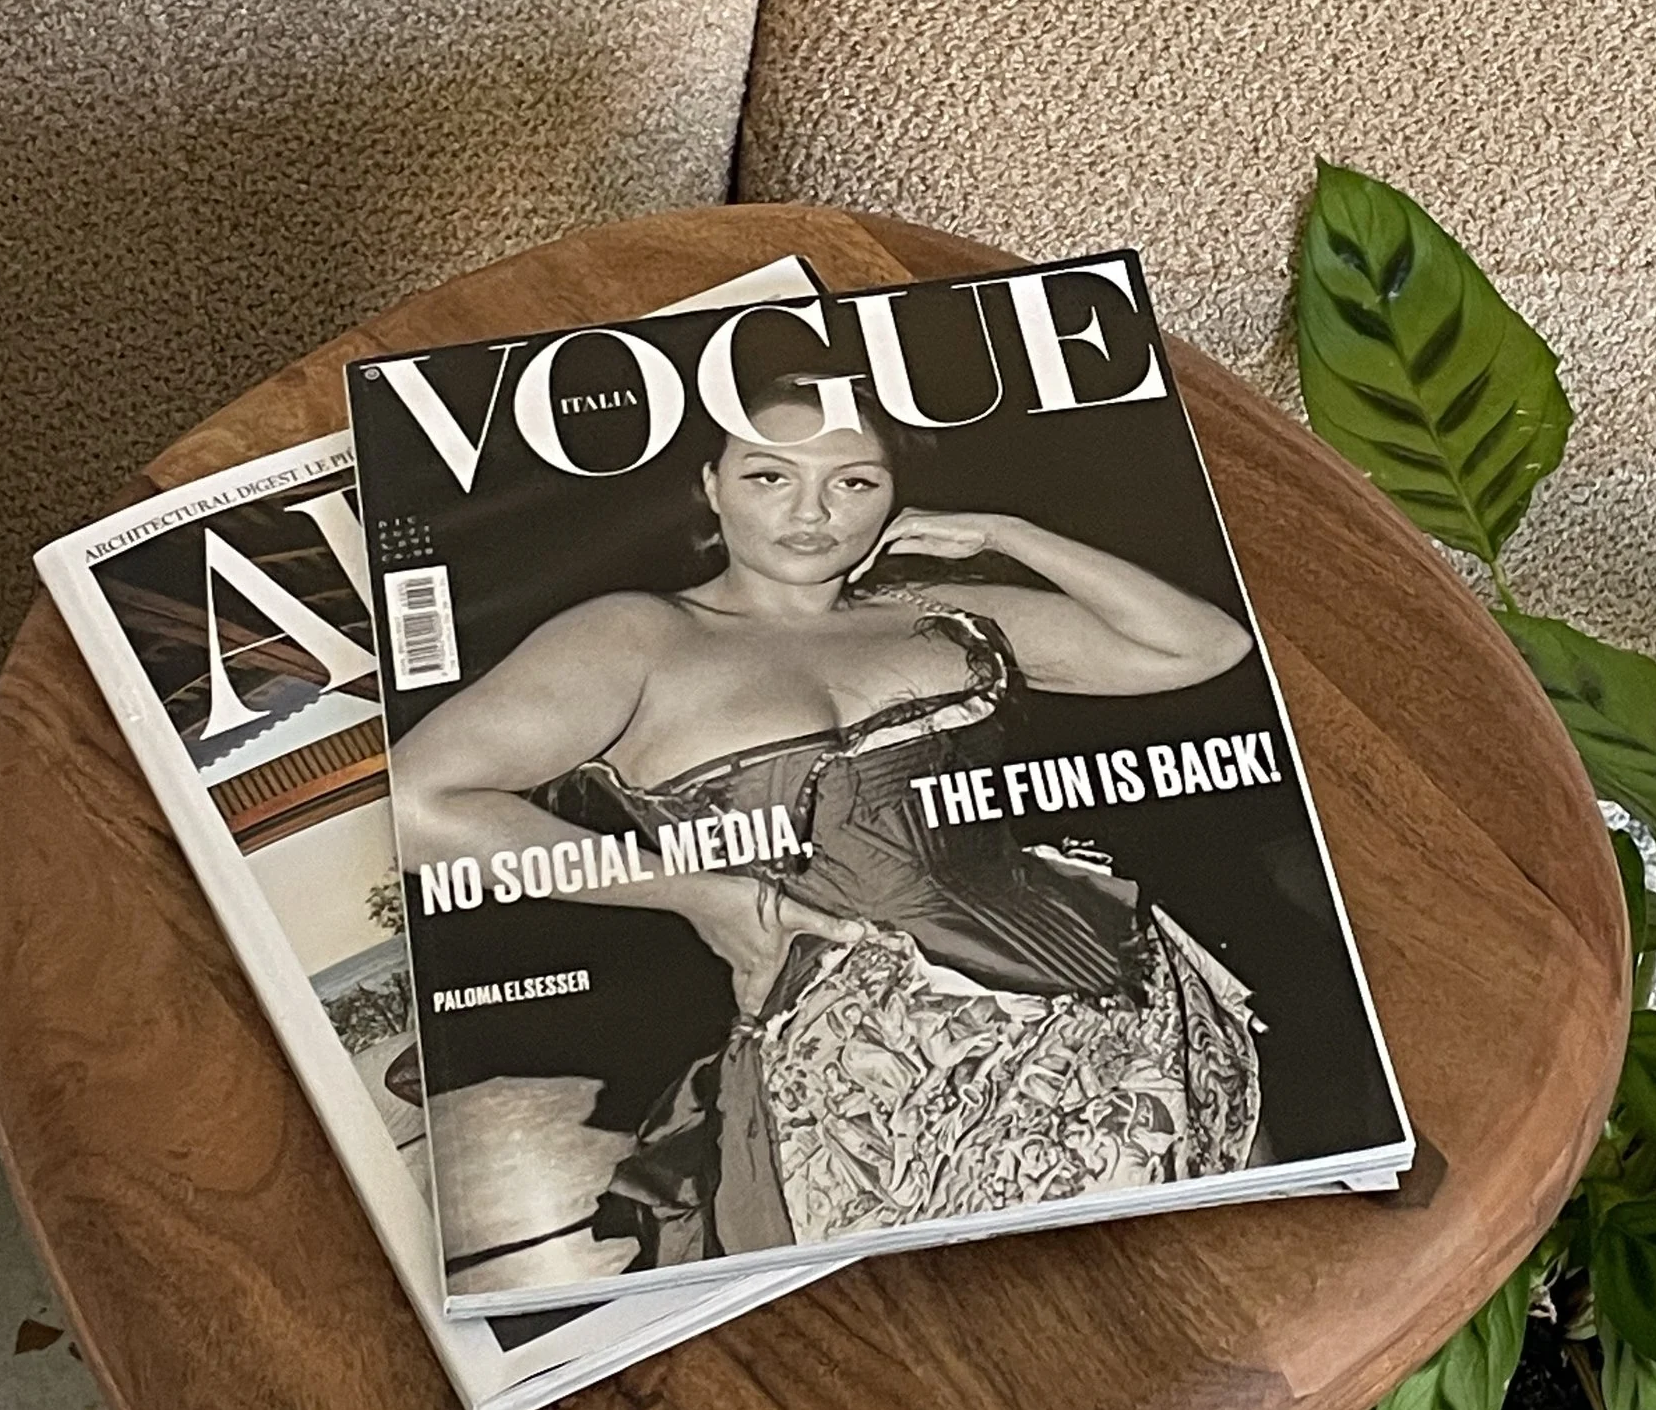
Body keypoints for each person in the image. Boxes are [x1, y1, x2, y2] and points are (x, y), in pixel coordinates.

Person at [389, 379, 1264, 1291]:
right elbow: (419, 801)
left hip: (1121, 1001)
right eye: (769, 476)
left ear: (896, 495)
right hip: (869, 1076)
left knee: (1220, 1285)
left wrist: (1007, 533)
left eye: (855, 482)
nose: (812, 511)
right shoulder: (637, 634)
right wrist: (697, 892)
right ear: (711, 484)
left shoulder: (936, 607)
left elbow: (1203, 647)